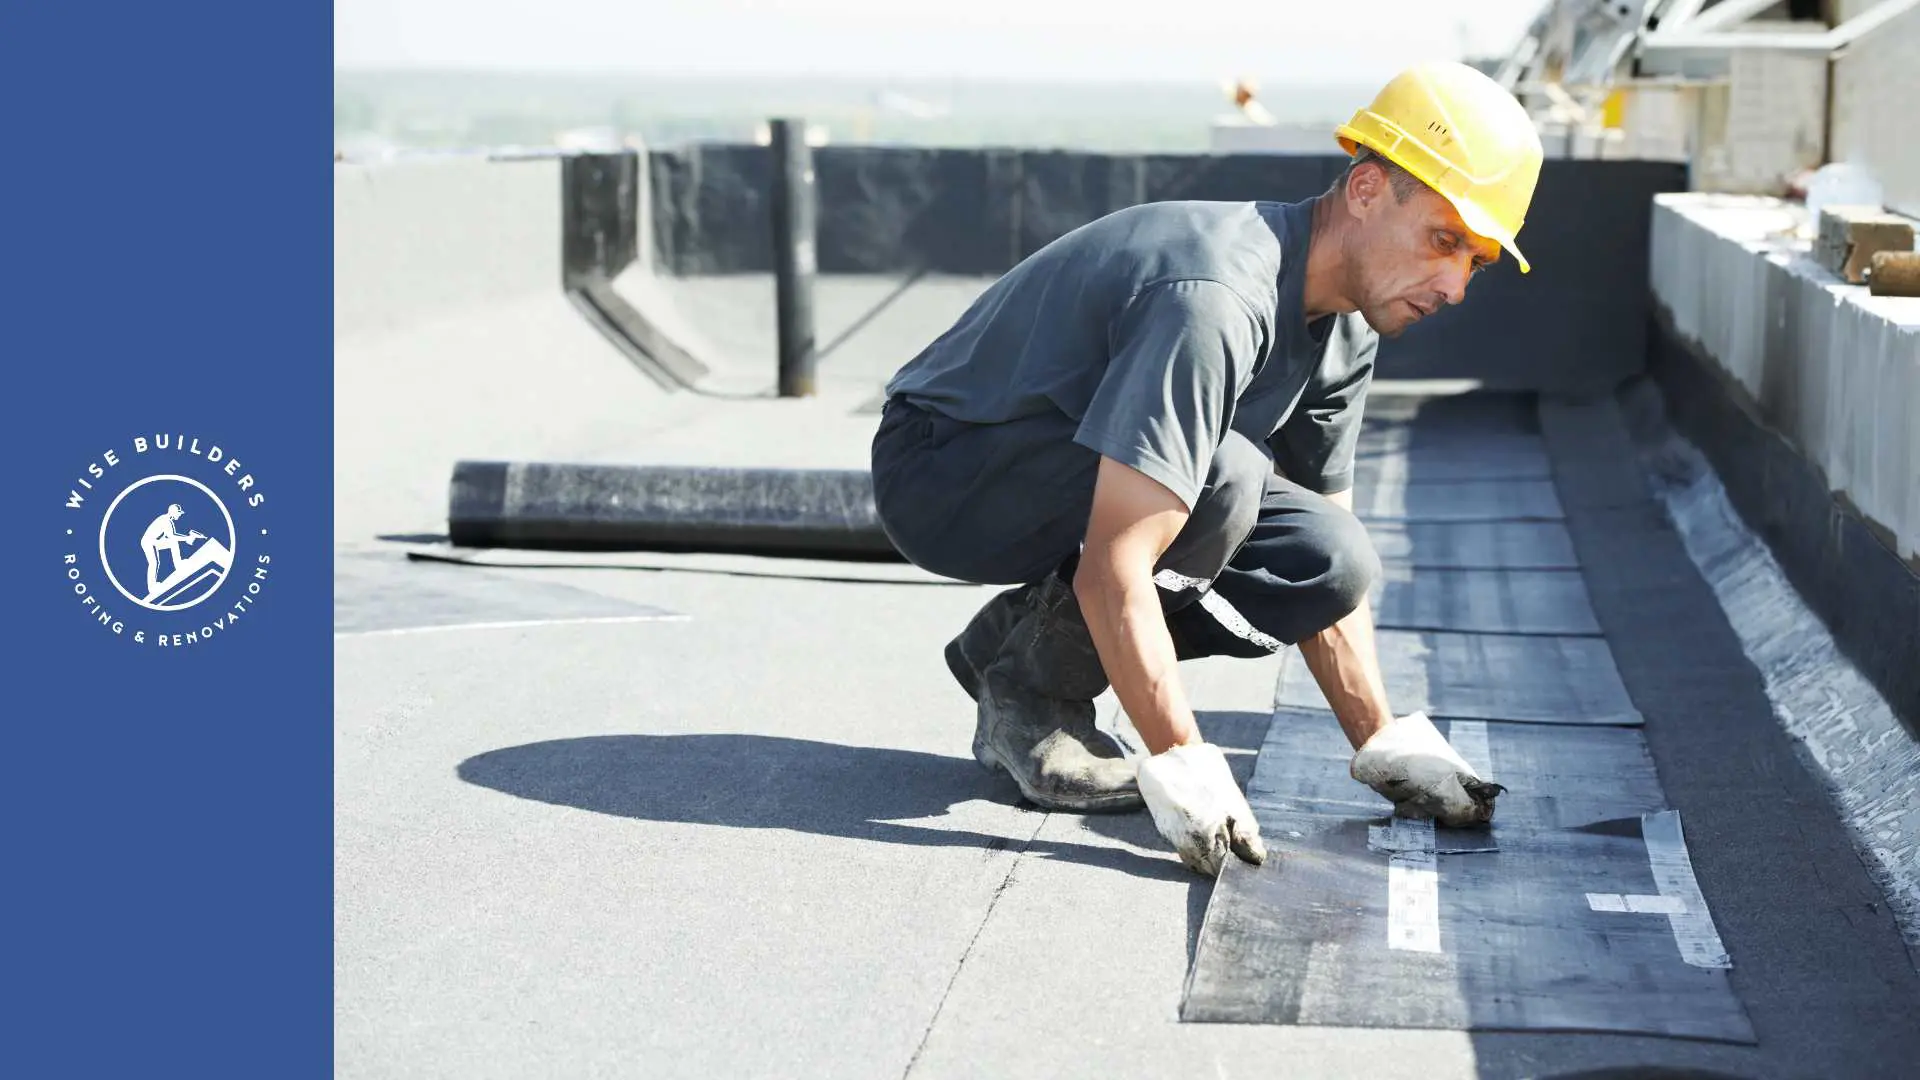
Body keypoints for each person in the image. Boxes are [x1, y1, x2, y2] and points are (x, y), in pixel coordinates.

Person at [870, 62, 1543, 876]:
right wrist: (1181, 758)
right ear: (1367, 190)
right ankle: (1031, 698)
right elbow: (1118, 560)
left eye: (1476, 261)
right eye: (1445, 240)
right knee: (1223, 479)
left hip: (1067, 474)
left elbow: (1324, 545)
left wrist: (1382, 741)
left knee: (1330, 560)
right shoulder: (1217, 296)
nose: (1456, 286)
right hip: (948, 466)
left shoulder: (1348, 325)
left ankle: (1015, 645)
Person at [141, 503, 207, 595]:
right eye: (178, 513)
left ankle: (179, 564)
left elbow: (171, 536)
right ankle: (152, 588)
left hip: (155, 541)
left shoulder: (167, 519)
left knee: (173, 543)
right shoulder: (165, 521)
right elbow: (172, 536)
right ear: (173, 512)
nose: (180, 515)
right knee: (154, 562)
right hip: (149, 542)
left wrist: (187, 538)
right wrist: (187, 538)